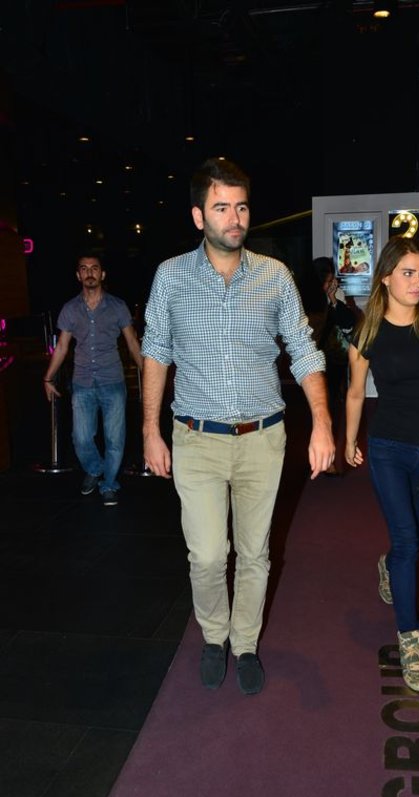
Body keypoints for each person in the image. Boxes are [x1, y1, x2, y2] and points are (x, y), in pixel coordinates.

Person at [141, 157, 335, 696]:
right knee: (207, 555)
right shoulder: (171, 276)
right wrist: (150, 431)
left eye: (242, 207)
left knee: (254, 554)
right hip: (196, 438)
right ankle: (214, 635)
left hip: (262, 438)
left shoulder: (274, 276)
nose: (235, 218)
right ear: (198, 216)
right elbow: (155, 352)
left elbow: (304, 351)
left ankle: (245, 643)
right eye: (222, 208)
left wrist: (322, 423)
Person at [344, 237, 419, 693]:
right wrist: (348, 440)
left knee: (412, 544)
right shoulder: (367, 334)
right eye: (408, 273)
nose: (418, 282)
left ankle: (388, 565)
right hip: (388, 449)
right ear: (385, 278)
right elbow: (355, 392)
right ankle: (410, 640)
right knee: (407, 541)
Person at [43, 254, 143, 506]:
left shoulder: (118, 306)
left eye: (94, 268)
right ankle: (96, 468)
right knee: (81, 438)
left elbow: (132, 342)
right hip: (82, 382)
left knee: (114, 439)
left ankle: (109, 483)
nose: (89, 273)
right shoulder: (70, 309)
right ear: (78, 275)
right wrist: (48, 377)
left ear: (102, 274)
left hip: (113, 380)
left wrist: (148, 373)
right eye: (84, 269)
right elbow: (62, 346)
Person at [306, 256, 357, 474]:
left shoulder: (337, 297)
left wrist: (334, 300)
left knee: (330, 411)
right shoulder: (304, 301)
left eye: (332, 280)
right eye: (327, 281)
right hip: (310, 363)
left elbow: (349, 324)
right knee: (314, 411)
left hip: (333, 361)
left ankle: (329, 459)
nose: (331, 284)